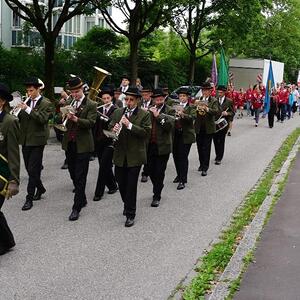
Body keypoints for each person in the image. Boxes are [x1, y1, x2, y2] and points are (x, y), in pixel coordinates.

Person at [109, 87, 151, 227]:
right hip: (120, 154)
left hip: (135, 155)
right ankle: (127, 204)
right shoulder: (117, 112)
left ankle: (130, 213)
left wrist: (130, 125)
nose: (128, 102)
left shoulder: (144, 115)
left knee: (131, 186)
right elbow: (109, 127)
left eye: (131, 100)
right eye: (126, 99)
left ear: (138, 101)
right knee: (121, 182)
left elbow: (145, 133)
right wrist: (113, 129)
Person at [61, 76, 97, 221]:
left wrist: (76, 119)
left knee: (81, 176)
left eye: (76, 91)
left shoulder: (91, 104)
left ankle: (76, 208)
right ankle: (81, 198)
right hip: (70, 142)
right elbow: (60, 120)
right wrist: (63, 114)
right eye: (72, 91)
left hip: (83, 144)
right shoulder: (69, 101)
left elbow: (91, 123)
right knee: (72, 172)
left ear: (82, 89)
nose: (74, 94)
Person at [18, 77, 52, 211]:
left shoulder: (46, 103)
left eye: (31, 90)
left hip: (38, 140)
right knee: (29, 168)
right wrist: (17, 111)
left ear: (38, 89)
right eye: (27, 90)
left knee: (32, 169)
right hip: (25, 139)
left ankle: (29, 198)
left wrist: (27, 109)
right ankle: (41, 188)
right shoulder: (26, 101)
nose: (29, 93)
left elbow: (43, 119)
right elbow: (20, 119)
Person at [0, 83, 20, 255]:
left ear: (1, 102)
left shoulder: (10, 121)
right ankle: (7, 240)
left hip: (3, 174)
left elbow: (13, 152)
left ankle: (4, 243)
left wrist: (14, 180)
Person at [147, 88, 174, 207]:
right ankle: (158, 185)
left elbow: (169, 126)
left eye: (161, 98)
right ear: (153, 99)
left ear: (164, 98)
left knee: (159, 171)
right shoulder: (148, 110)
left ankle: (156, 195)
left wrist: (158, 116)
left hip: (163, 146)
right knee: (150, 171)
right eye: (157, 98)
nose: (159, 100)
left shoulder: (170, 110)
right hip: (149, 145)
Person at [93, 88, 118, 201]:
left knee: (103, 166)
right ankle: (113, 186)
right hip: (99, 140)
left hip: (110, 141)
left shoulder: (116, 110)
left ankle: (99, 192)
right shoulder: (99, 108)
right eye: (104, 98)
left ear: (111, 98)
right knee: (105, 166)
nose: (106, 100)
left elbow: (116, 124)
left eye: (108, 98)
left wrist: (107, 120)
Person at [172, 87, 196, 190]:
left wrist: (183, 115)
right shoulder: (174, 107)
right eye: (180, 96)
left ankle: (183, 179)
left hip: (186, 135)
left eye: (184, 96)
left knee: (182, 156)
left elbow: (193, 118)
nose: (182, 98)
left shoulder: (191, 107)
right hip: (175, 134)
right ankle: (179, 174)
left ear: (187, 97)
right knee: (175, 156)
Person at [194, 82, 220, 176]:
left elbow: (216, 111)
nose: (205, 92)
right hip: (198, 127)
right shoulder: (198, 99)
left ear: (210, 91)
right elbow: (192, 111)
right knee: (199, 147)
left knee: (206, 148)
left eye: (207, 90)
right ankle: (201, 164)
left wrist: (207, 108)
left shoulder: (213, 100)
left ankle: (205, 167)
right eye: (203, 90)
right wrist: (195, 106)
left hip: (208, 128)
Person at [213, 85, 235, 165]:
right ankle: (217, 154)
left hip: (223, 123)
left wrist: (227, 113)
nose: (219, 93)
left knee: (221, 140)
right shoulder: (214, 100)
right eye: (218, 92)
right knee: (215, 140)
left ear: (224, 92)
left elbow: (233, 112)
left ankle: (219, 157)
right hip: (215, 122)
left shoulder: (229, 101)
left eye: (221, 92)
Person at [140, 87, 153, 183]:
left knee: (148, 153)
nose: (144, 97)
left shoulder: (154, 103)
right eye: (143, 95)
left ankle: (145, 172)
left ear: (150, 94)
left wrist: (148, 110)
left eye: (146, 95)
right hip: (140, 130)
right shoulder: (139, 103)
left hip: (151, 130)